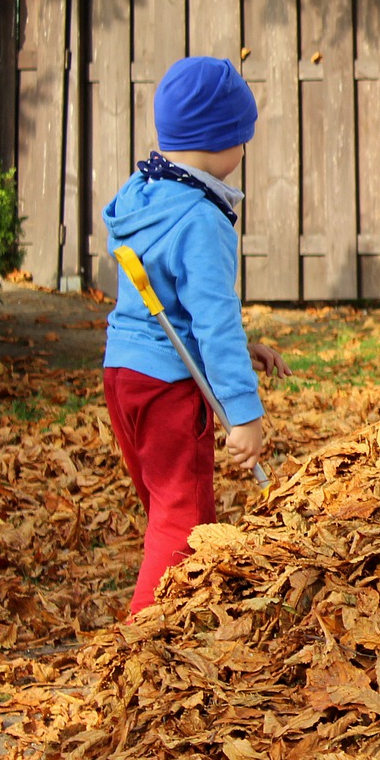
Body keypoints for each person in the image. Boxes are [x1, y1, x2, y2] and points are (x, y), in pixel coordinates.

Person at [103, 56, 291, 613]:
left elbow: (171, 301)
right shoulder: (202, 218)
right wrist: (245, 414)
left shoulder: (144, 192)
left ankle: (191, 618)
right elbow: (213, 322)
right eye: (242, 140)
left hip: (124, 375)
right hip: (166, 386)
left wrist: (244, 348)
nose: (243, 152)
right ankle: (144, 641)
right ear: (222, 141)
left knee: (173, 506)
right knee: (180, 519)